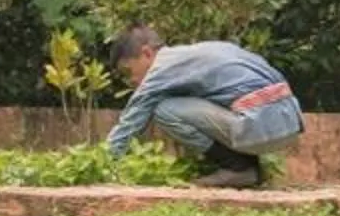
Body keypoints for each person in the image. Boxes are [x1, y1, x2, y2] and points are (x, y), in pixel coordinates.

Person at [103, 25, 305, 188]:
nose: (133, 81)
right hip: (289, 121)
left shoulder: (161, 68)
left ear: (147, 53)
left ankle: (237, 168)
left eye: (129, 72)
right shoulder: (201, 52)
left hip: (259, 124)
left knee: (164, 110)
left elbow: (131, 121)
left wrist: (103, 161)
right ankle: (246, 166)